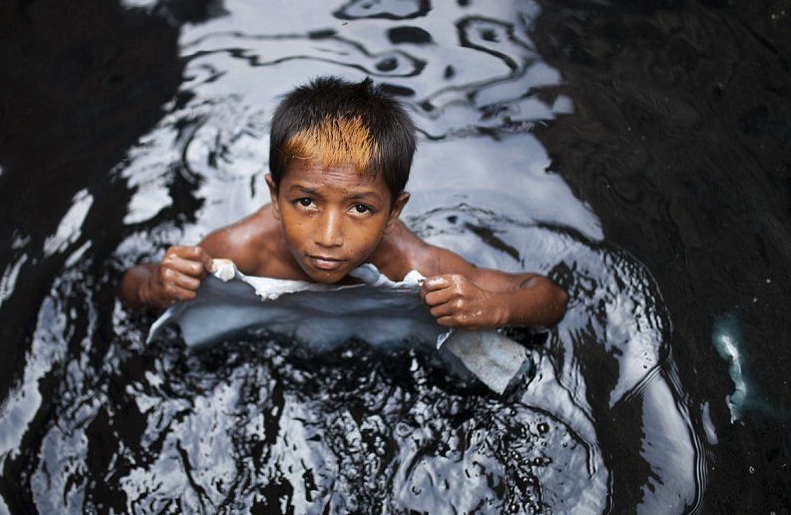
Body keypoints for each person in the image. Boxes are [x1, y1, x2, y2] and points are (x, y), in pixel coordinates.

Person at [120, 76, 567, 330]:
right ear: (274, 196)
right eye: (306, 201)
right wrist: (154, 286)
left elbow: (549, 297)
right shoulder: (241, 249)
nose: (329, 238)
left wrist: (496, 308)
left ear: (394, 212)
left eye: (360, 209)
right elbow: (130, 285)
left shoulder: (411, 263)